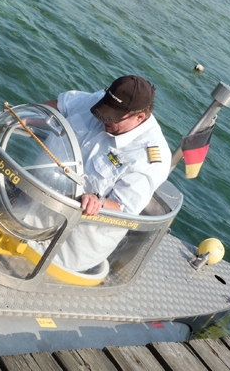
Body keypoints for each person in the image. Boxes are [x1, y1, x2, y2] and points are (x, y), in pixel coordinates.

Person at [34, 75, 171, 272]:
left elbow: (124, 208)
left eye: (113, 116)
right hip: (34, 204)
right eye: (104, 110)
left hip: (64, 247)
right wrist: (21, 116)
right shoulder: (102, 101)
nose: (103, 118)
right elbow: (60, 107)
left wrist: (98, 201)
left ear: (139, 117)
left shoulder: (150, 158)